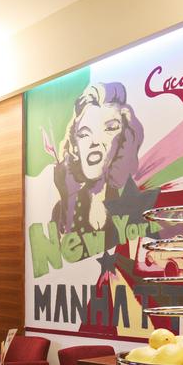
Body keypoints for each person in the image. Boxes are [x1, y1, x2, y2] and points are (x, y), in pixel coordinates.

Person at [48, 82, 146, 246]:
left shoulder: (134, 202)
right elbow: (62, 253)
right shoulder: (61, 210)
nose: (94, 141)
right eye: (84, 134)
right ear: (75, 146)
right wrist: (66, 198)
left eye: (110, 128)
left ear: (124, 140)